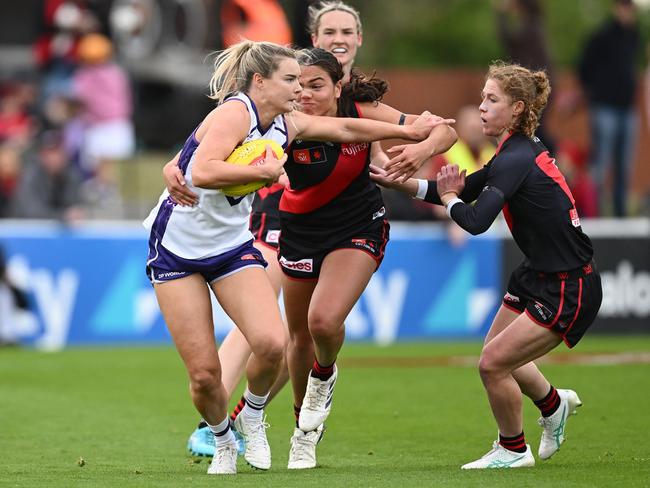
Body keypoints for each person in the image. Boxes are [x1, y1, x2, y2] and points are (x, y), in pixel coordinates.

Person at [146, 39, 441, 475]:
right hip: (177, 249)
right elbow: (204, 170)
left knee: (271, 343)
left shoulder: (285, 123)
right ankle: (223, 440)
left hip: (230, 245)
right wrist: (261, 172)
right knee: (205, 376)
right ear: (260, 82)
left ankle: (252, 414)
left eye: (303, 81)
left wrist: (410, 132)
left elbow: (345, 130)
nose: (298, 89)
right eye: (289, 80)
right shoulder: (236, 112)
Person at [371, 61, 602, 469]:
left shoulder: (515, 158)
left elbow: (473, 220)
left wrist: (448, 198)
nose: (480, 106)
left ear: (516, 109)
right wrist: (396, 182)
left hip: (569, 286)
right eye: (482, 97)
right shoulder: (512, 152)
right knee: (498, 355)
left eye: (491, 99)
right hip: (539, 274)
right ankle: (553, 405)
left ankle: (513, 450)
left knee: (494, 363)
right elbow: (455, 189)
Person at [279, 48, 456, 470]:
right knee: (299, 337)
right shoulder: (278, 116)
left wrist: (420, 151)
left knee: (322, 322)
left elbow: (443, 130)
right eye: (296, 85)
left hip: (357, 227)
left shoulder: (360, 108)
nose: (304, 94)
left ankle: (318, 397)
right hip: (300, 232)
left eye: (316, 85)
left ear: (339, 86)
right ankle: (303, 427)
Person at [578, 0, 640, 217]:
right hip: (605, 108)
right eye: (623, 6)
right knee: (601, 163)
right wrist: (596, 91)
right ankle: (595, 211)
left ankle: (620, 214)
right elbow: (584, 66)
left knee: (624, 165)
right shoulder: (602, 35)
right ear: (617, 8)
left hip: (627, 108)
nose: (627, 11)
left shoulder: (633, 35)